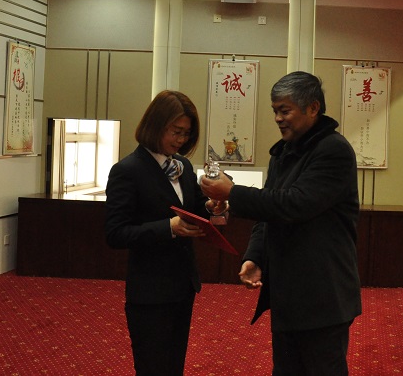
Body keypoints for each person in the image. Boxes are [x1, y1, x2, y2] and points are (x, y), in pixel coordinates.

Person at [201, 71, 362, 376]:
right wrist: (255, 257)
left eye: (284, 110)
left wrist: (232, 192)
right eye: (275, 110)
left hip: (323, 293)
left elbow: (294, 204)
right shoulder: (284, 152)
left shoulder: (333, 150)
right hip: (288, 291)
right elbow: (270, 213)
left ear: (313, 108)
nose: (277, 118)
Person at [105, 90, 210, 376]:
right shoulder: (127, 170)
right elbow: (115, 233)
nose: (181, 140)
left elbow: (196, 206)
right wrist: (168, 228)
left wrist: (214, 205)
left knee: (174, 365)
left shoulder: (182, 165)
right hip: (150, 290)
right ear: (156, 125)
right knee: (152, 367)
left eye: (186, 134)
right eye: (176, 131)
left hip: (183, 285)